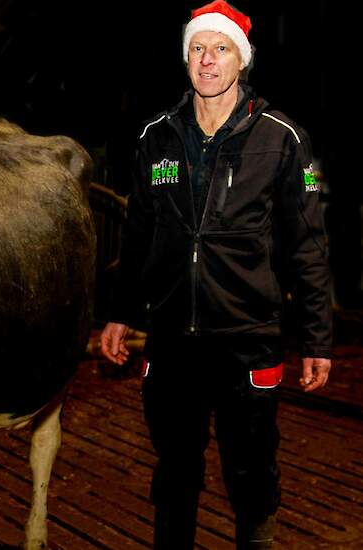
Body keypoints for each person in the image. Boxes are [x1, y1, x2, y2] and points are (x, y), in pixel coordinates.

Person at [99, 1, 332, 548]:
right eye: (198, 48)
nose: (208, 60)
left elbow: (309, 244)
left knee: (251, 470)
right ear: (186, 60)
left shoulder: (283, 139)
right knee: (175, 470)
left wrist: (318, 336)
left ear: (240, 61)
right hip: (173, 339)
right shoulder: (155, 138)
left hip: (248, 340)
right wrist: (121, 311)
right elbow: (138, 235)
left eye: (221, 48)